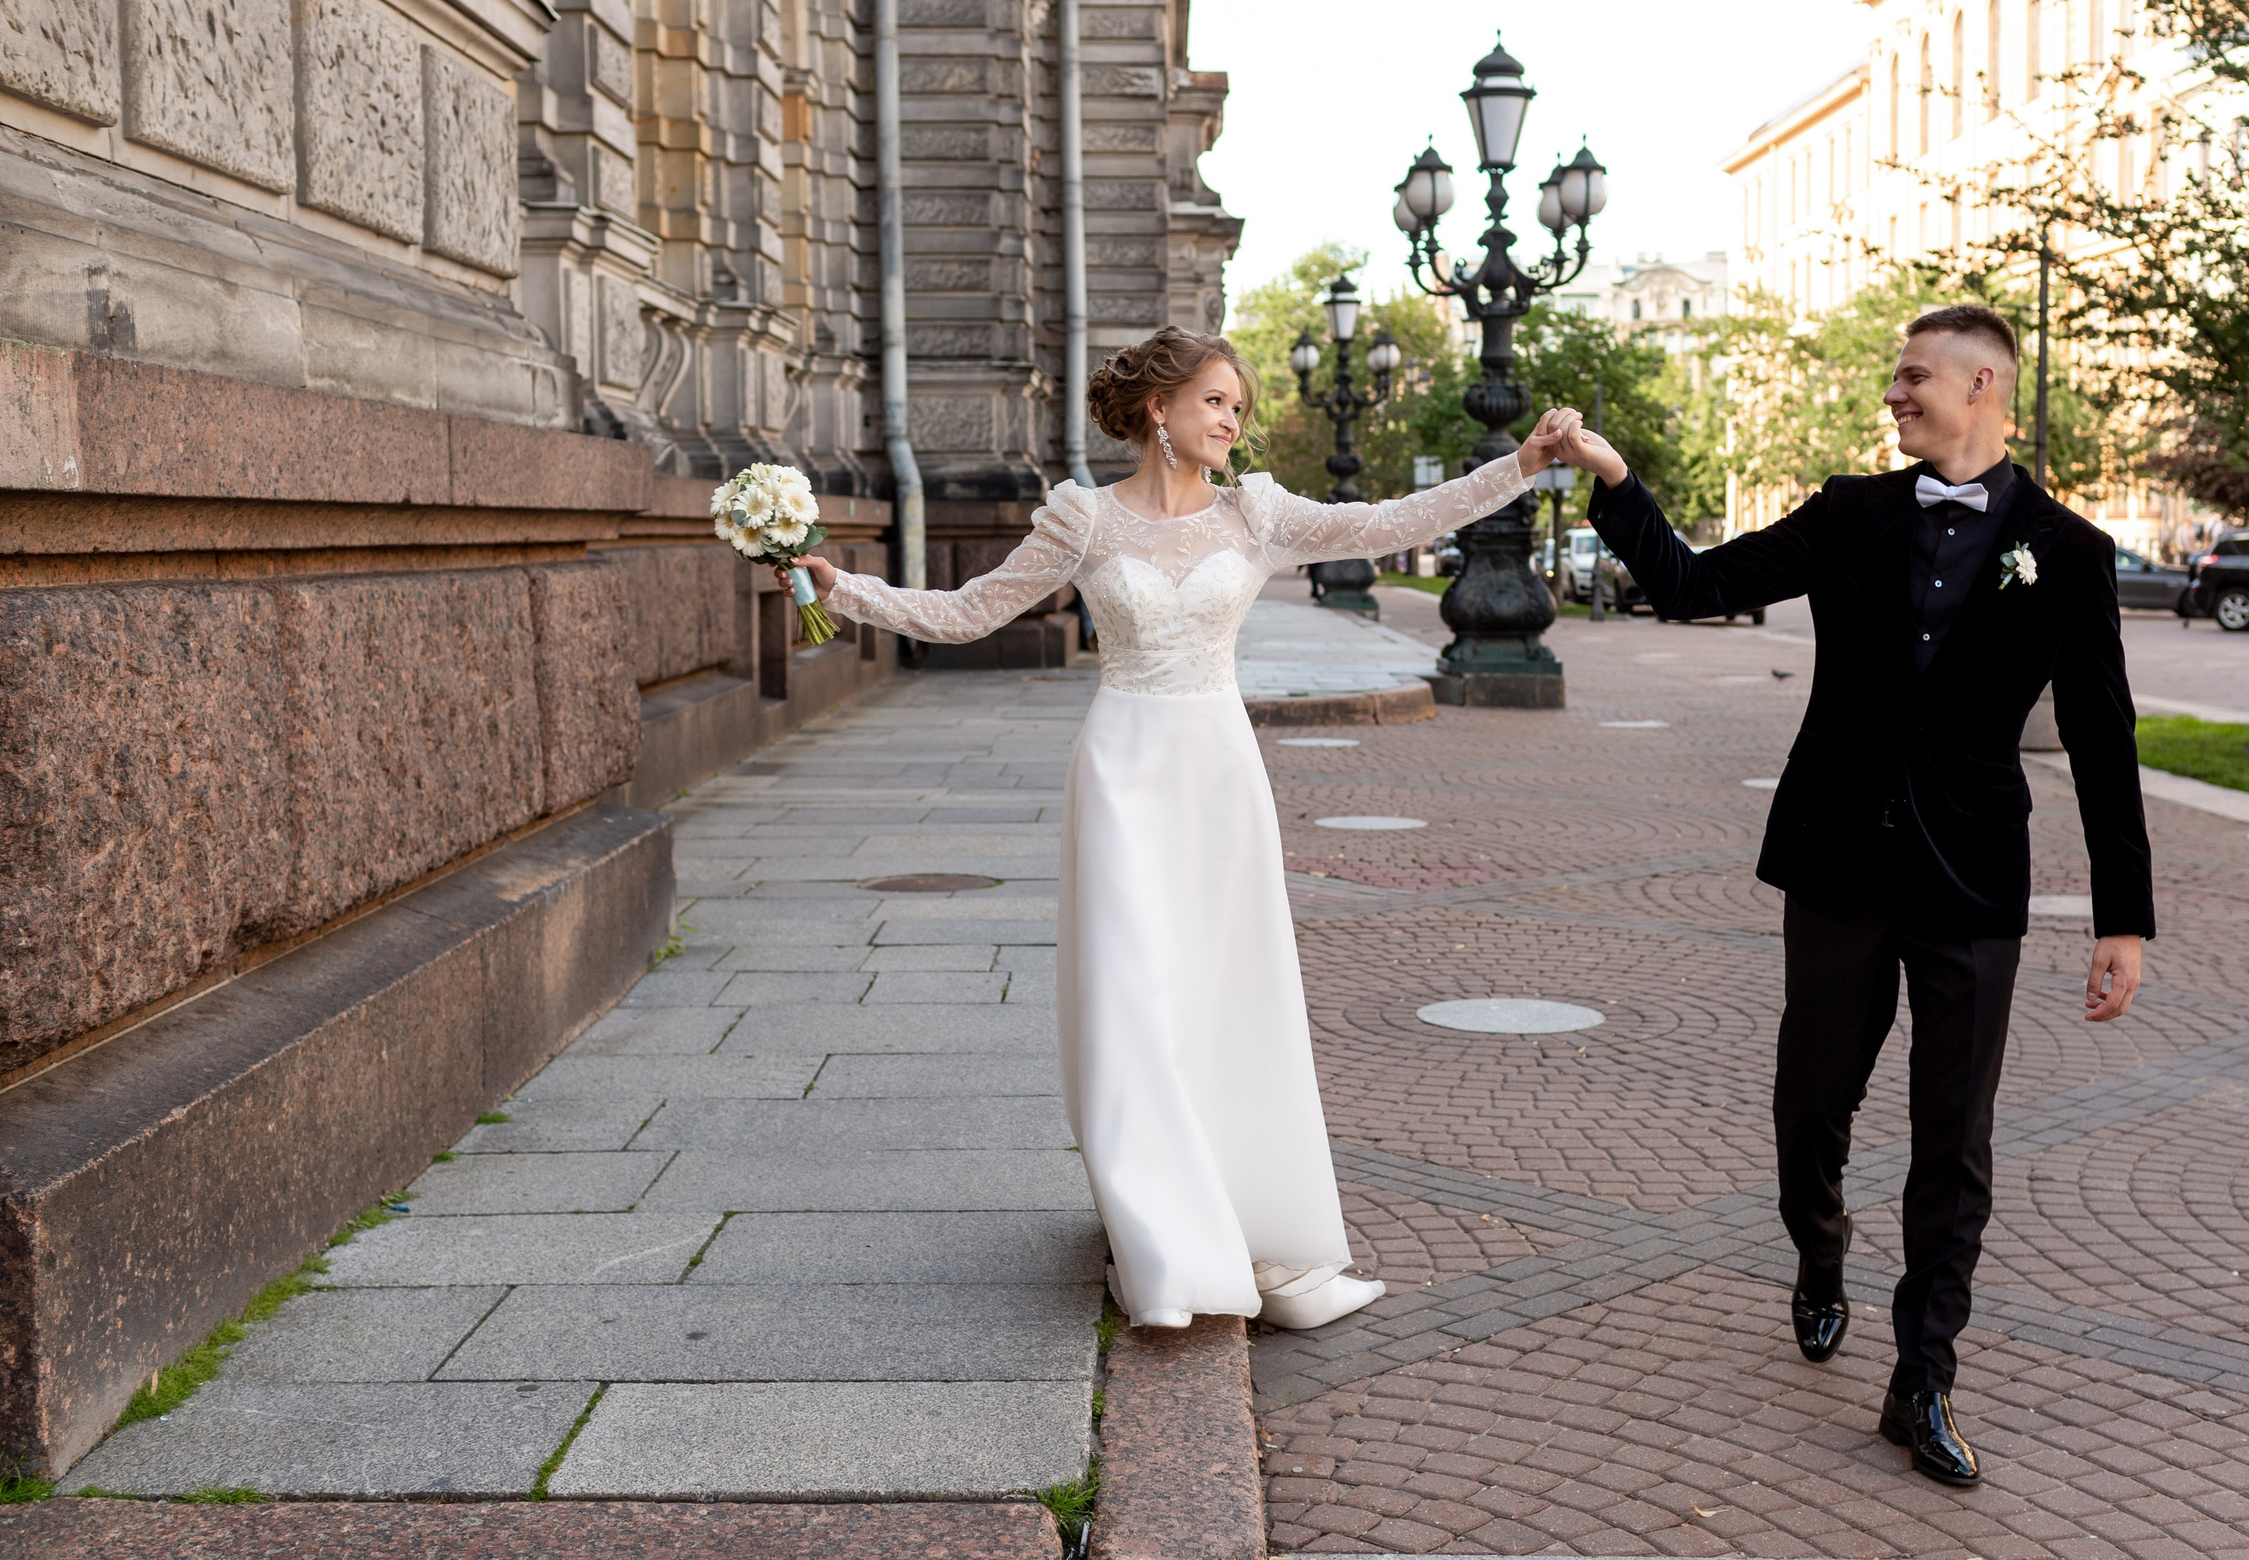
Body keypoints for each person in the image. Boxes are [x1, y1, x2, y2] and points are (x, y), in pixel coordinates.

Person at [785, 325, 1576, 1331]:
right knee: (1132, 1002)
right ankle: (1165, 1239)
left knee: (1224, 995)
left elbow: (1391, 521)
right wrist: (839, 587)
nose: (1230, 421)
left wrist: (1522, 462)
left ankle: (1245, 1212)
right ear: (1158, 407)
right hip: (1121, 772)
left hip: (1218, 777)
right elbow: (971, 610)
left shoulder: (1258, 514)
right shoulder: (1082, 520)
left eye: (1237, 406)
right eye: (1214, 401)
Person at [1549, 303, 2153, 1487]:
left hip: (1973, 877)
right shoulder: (1849, 512)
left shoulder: (2068, 551)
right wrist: (1614, 479)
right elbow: (1689, 584)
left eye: (1913, 376)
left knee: (1953, 1141)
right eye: (1894, 376)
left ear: (1982, 385)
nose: (1894, 393)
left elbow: (2103, 739)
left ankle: (1920, 1378)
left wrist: (2124, 918)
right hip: (1837, 861)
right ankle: (1817, 1250)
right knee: (1808, 1104)